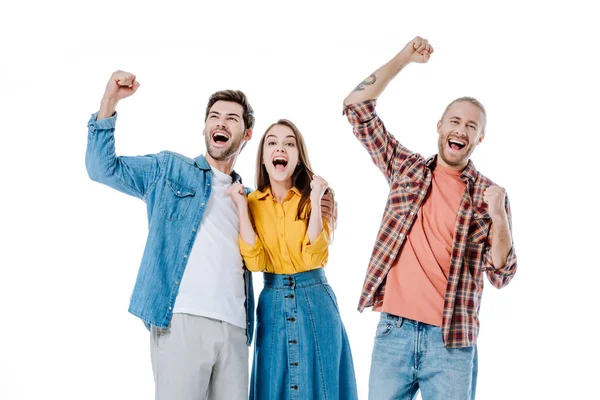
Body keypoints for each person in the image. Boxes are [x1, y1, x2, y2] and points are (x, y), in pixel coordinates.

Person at [85, 71, 334, 399]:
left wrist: (316, 203)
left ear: (246, 134)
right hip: (183, 321)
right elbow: (103, 169)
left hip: (235, 330)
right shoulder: (169, 171)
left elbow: (278, 252)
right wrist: (110, 101)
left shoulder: (249, 198)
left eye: (232, 119)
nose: (221, 123)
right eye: (214, 117)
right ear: (204, 128)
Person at [342, 36, 518, 400]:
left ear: (479, 138)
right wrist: (404, 58)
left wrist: (499, 216)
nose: (461, 129)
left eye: (471, 126)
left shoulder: (490, 196)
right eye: (454, 121)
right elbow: (356, 107)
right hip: (394, 332)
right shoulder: (406, 170)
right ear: (439, 126)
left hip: (451, 341)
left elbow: (502, 274)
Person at [227, 119, 358, 400]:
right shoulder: (251, 202)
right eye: (272, 142)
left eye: (289, 143)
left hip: (316, 300)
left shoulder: (316, 198)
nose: (280, 148)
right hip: (272, 301)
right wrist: (240, 206)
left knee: (320, 384)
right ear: (263, 158)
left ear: (298, 157)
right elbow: (255, 262)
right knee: (274, 385)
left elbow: (315, 255)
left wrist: (316, 195)